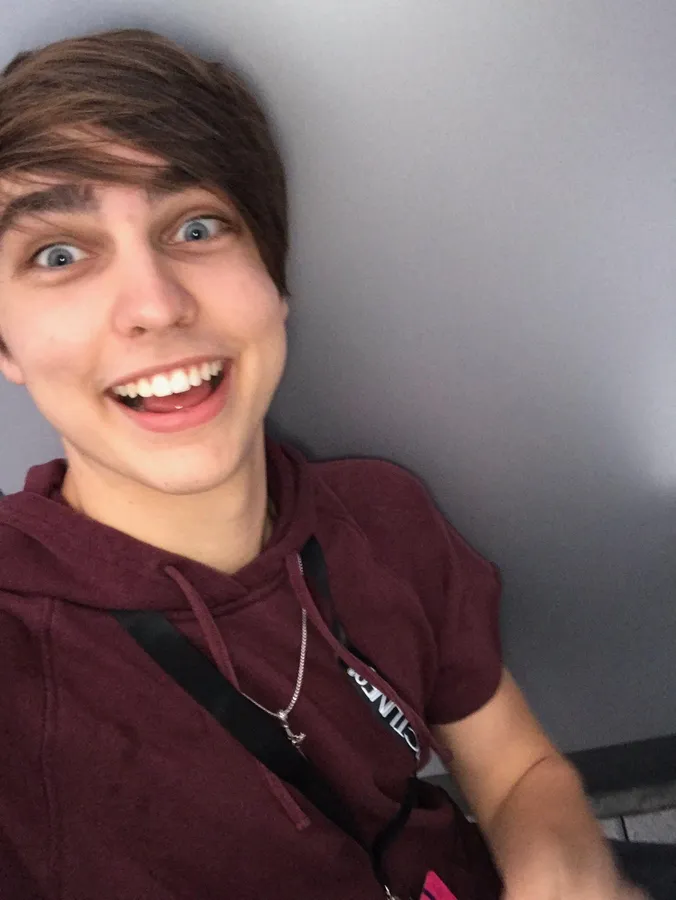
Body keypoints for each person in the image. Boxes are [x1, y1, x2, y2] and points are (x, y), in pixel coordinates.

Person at [0, 28, 661, 900]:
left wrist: (561, 875)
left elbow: (517, 773)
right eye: (58, 254)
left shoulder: (379, 516)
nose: (154, 304)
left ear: (275, 284)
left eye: (196, 226)